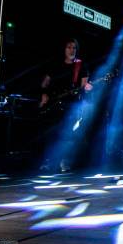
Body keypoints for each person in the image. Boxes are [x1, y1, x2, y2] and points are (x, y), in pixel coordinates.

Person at [38, 38, 92, 172]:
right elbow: (45, 83)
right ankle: (48, 161)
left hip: (71, 104)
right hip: (55, 103)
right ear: (64, 49)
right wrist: (44, 94)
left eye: (74, 47)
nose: (71, 50)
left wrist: (87, 88)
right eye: (69, 47)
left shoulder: (80, 65)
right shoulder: (55, 64)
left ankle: (64, 161)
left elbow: (84, 84)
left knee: (68, 134)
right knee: (52, 133)